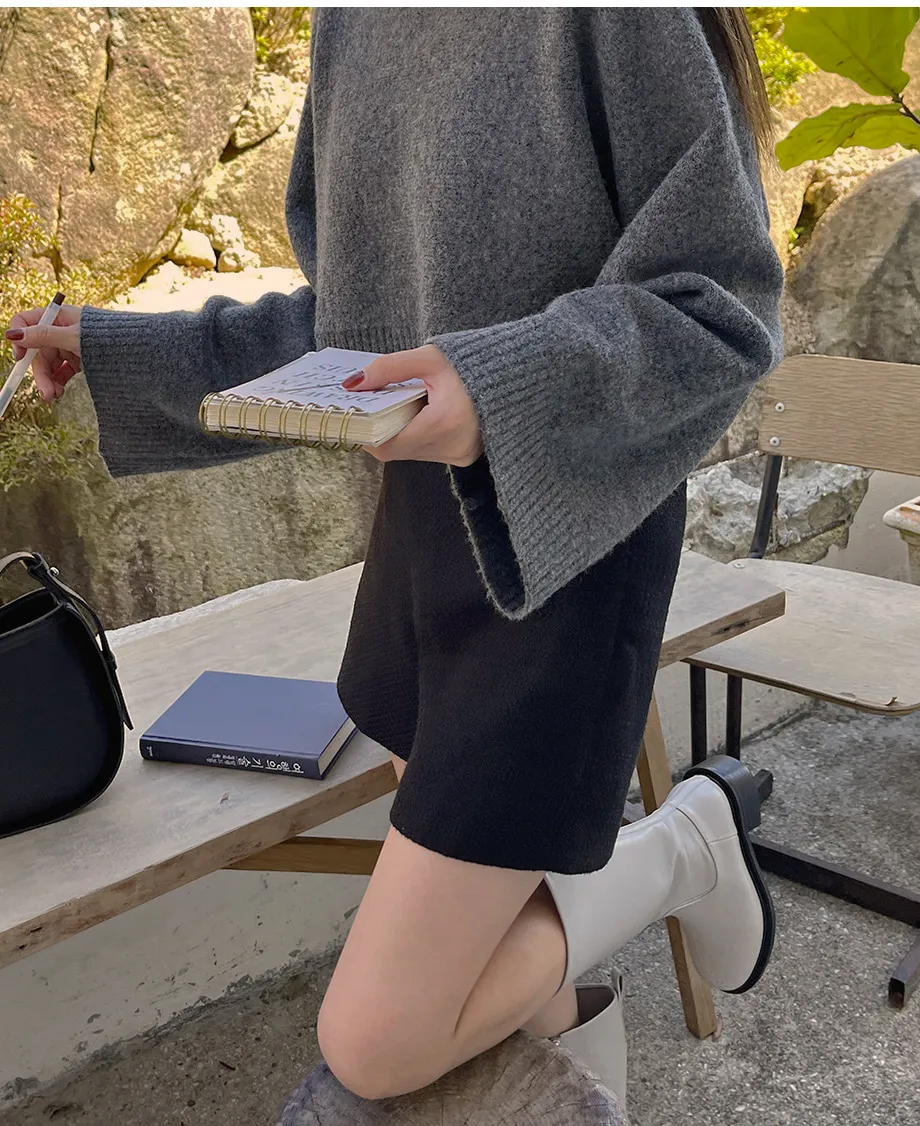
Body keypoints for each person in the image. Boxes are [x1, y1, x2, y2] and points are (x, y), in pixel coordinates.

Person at [8, 8, 784, 1105]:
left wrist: (495, 385)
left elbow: (720, 308)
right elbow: (350, 330)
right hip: (417, 550)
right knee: (490, 946)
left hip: (565, 558)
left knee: (378, 1038)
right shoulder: (355, 21)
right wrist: (121, 348)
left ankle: (683, 845)